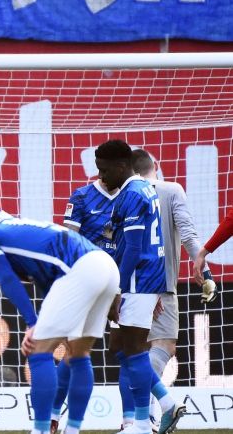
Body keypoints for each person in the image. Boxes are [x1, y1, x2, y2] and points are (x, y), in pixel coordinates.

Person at [0, 199, 119, 434]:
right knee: (78, 353)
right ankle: (72, 430)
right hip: (105, 265)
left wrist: (33, 322)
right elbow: (48, 280)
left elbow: (8, 280)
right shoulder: (7, 221)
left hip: (79, 269)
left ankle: (41, 430)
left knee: (37, 349)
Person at [94, 140, 184, 434]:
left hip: (137, 280)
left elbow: (133, 248)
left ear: (122, 166)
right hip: (147, 279)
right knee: (122, 347)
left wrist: (117, 289)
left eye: (105, 170)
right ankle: (160, 409)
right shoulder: (143, 190)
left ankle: (147, 420)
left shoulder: (132, 194)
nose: (101, 176)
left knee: (132, 349)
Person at [131, 148, 218, 423]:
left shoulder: (124, 196)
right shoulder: (171, 190)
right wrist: (205, 270)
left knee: (134, 353)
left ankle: (137, 418)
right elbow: (189, 234)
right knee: (163, 347)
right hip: (161, 284)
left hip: (128, 285)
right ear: (154, 165)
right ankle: (143, 416)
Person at [53, 177, 119, 433]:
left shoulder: (132, 196)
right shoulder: (81, 196)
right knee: (75, 352)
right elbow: (69, 241)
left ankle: (136, 420)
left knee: (131, 351)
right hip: (84, 282)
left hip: (119, 284)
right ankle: (57, 419)